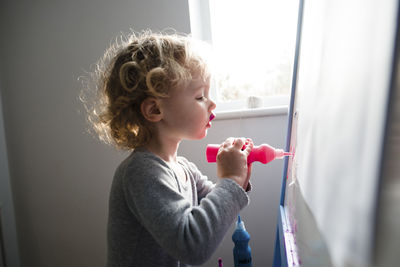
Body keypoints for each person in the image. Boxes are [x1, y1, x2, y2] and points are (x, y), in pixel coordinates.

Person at [82, 30, 253, 267]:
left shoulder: (184, 169)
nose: (212, 102)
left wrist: (239, 177)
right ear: (154, 110)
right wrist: (232, 180)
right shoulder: (141, 172)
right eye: (200, 96)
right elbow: (193, 245)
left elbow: (216, 212)